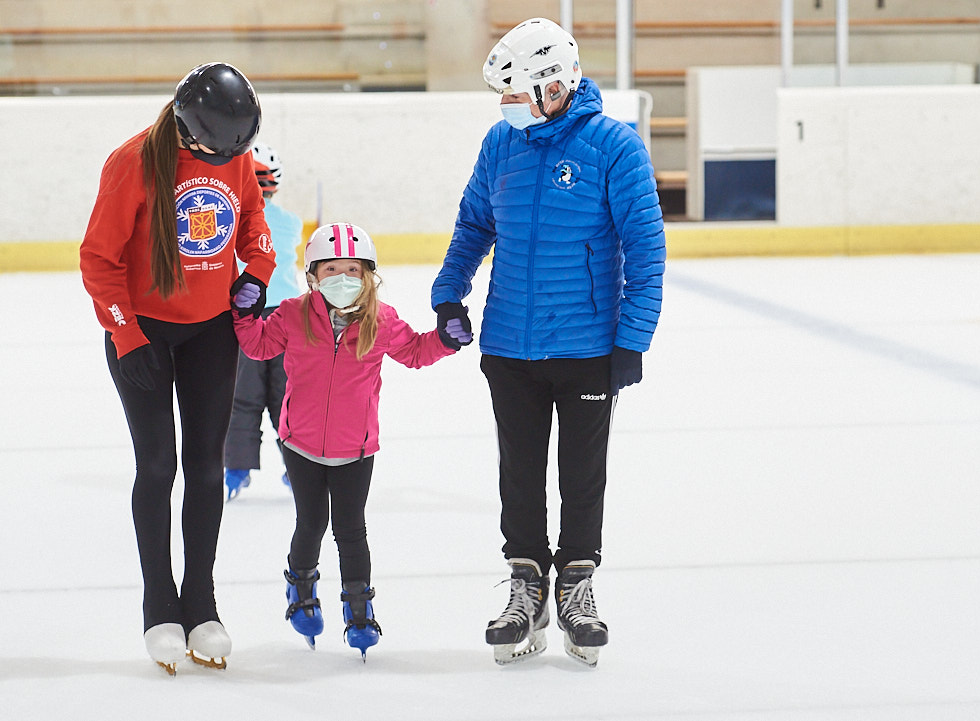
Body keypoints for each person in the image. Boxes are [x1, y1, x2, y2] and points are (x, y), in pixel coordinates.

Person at [431, 17, 666, 667]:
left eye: (514, 93)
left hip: (588, 344)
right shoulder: (500, 145)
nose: (504, 106)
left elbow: (647, 251)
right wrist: (449, 291)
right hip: (509, 343)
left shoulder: (614, 147)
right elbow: (473, 222)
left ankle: (577, 583)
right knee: (520, 470)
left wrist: (632, 339)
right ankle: (527, 583)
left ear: (553, 86)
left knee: (582, 473)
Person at [80, 62, 273, 675]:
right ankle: (159, 604)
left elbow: (252, 227)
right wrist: (126, 333)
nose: (225, 161)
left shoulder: (233, 157)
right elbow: (98, 260)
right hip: (144, 335)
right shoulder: (132, 162)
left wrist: (256, 276)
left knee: (205, 466)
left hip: (211, 334)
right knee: (158, 465)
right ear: (190, 132)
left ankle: (202, 601)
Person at [232, 222, 469, 659]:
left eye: (354, 270)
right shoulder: (292, 314)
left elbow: (415, 352)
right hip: (300, 443)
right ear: (313, 276)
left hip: (356, 449)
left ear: (368, 276)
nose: (344, 279)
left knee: (350, 529)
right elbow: (258, 347)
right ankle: (300, 589)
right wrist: (245, 314)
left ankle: (359, 608)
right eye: (332, 269)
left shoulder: (381, 320)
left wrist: (445, 341)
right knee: (311, 523)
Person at [223, 142, 304, 500]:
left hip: (245, 316)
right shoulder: (291, 223)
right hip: (288, 317)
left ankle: (236, 470)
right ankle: (298, 466)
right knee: (288, 396)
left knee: (242, 396)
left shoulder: (231, 220)